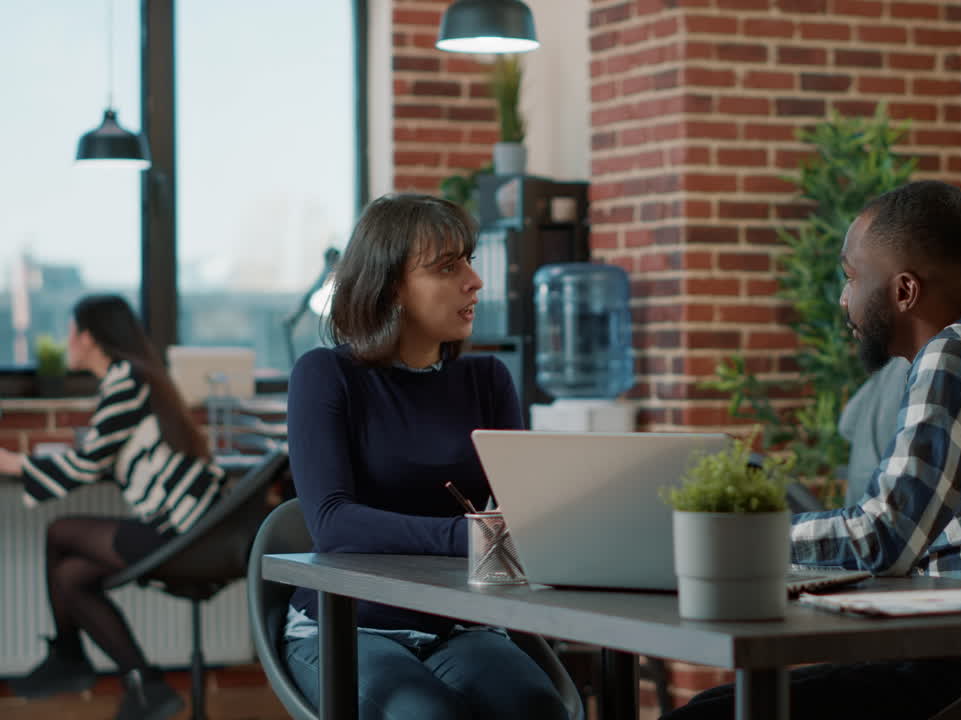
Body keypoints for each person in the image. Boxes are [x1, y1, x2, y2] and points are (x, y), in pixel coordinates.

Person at [667, 181, 961, 720]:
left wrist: (734, 541)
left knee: (706, 715)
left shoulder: (952, 359)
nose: (843, 298)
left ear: (903, 292)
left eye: (851, 277)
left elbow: (883, 537)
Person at [283, 193, 571, 720]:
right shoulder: (326, 375)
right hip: (348, 624)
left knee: (538, 709)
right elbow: (331, 523)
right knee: (424, 713)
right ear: (391, 286)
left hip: (460, 621)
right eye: (447, 267)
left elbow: (523, 519)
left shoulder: (488, 381)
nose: (474, 282)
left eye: (469, 261)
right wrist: (471, 536)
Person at [0, 294, 222, 720]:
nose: (67, 341)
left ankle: (69, 658)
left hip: (183, 531)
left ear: (89, 337)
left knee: (59, 532)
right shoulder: (136, 378)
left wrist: (13, 462)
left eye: (70, 331)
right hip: (185, 525)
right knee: (70, 576)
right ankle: (144, 684)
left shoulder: (126, 379)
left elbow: (87, 463)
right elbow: (101, 453)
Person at [838, 357, 910, 505]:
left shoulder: (891, 365)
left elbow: (846, 425)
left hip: (858, 502)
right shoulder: (915, 364)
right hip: (884, 506)